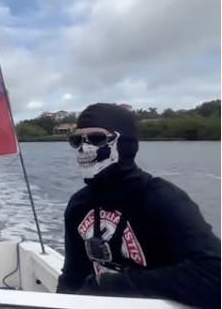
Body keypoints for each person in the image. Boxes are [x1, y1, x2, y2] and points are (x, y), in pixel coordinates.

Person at [56, 103, 220, 308]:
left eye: (96, 139)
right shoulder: (79, 205)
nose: (83, 147)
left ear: (125, 143)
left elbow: (215, 275)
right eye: (76, 140)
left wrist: (111, 285)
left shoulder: (162, 200)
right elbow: (73, 275)